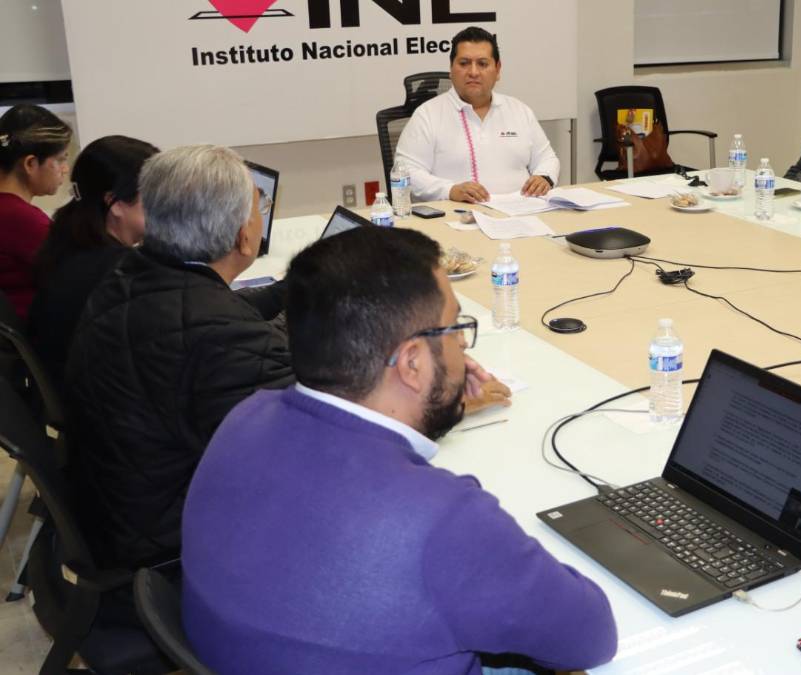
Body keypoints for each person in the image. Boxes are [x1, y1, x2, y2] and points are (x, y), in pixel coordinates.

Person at [182, 226, 616, 675]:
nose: (462, 345)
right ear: (411, 362)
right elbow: (591, 637)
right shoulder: (443, 517)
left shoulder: (247, 416)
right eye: (454, 329)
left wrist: (435, 396)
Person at [66, 144, 294, 573]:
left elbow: (197, 320)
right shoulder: (225, 337)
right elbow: (306, 456)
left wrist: (293, 290)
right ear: (243, 236)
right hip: (169, 543)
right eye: (258, 208)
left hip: (115, 505)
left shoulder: (129, 275)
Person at [29, 135, 159, 389]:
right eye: (154, 195)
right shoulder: (120, 274)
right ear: (115, 203)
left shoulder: (69, 247)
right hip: (103, 400)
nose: (166, 204)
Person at [396, 26, 560, 204]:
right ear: (451, 69)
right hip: (457, 215)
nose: (473, 72)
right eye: (464, 63)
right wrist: (450, 190)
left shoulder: (519, 110)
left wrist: (544, 177)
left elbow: (547, 158)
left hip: (521, 211)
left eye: (482, 64)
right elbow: (405, 171)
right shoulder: (427, 115)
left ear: (497, 69)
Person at [0, 104, 72, 319]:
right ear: (30, 164)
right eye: (60, 159)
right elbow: (75, 277)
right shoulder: (21, 220)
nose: (65, 169)